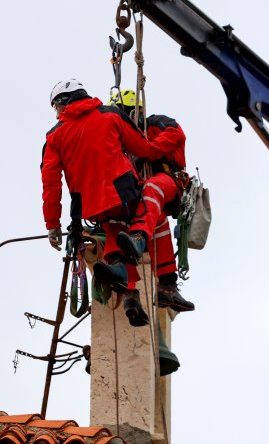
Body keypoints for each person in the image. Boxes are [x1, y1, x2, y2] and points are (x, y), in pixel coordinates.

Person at [41, 80, 192, 327]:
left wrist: (53, 224)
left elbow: (51, 184)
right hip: (125, 191)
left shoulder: (53, 136)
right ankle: (162, 278)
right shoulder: (109, 115)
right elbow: (143, 148)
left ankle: (129, 292)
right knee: (149, 216)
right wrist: (151, 149)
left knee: (115, 229)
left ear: (62, 102)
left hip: (91, 205)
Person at [107, 89, 195, 314]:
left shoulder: (159, 124)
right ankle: (135, 291)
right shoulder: (120, 141)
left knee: (151, 190)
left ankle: (138, 238)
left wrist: (143, 147)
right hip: (146, 200)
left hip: (167, 184)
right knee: (122, 215)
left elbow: (173, 136)